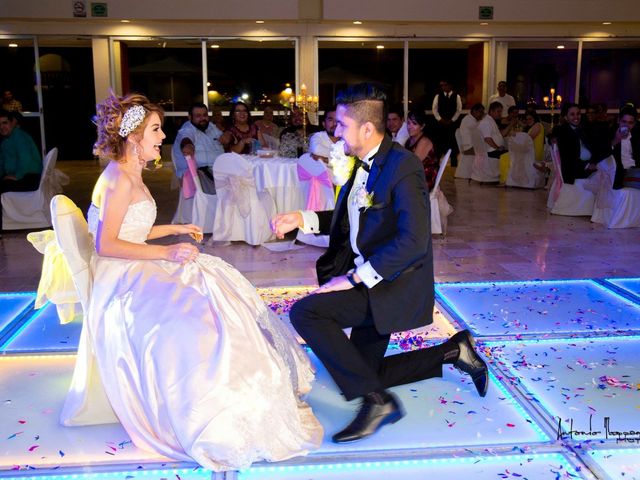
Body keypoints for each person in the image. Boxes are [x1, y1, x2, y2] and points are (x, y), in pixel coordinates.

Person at [61, 93, 322, 470]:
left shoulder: (128, 172)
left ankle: (240, 385)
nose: (161, 137)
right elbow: (107, 243)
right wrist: (167, 252)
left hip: (130, 264)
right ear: (133, 136)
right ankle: (208, 404)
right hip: (119, 278)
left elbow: (131, 230)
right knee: (194, 311)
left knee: (210, 284)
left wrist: (175, 229)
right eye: (154, 129)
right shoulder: (118, 178)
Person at [271, 83, 488, 444]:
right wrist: (301, 217)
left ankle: (377, 402)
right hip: (372, 278)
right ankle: (453, 351)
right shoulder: (361, 165)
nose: (335, 131)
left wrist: (355, 278)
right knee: (363, 370)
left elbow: (414, 242)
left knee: (307, 313)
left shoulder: (403, 167)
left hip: (392, 283)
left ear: (366, 129)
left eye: (341, 124)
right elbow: (346, 219)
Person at [0, 109, 42, 233]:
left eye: (5, 123)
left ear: (13, 122)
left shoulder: (18, 137)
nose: (2, 127)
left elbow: (26, 160)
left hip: (29, 177)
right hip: (23, 176)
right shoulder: (7, 140)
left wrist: (17, 176)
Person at [551, 103, 610, 184]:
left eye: (578, 114)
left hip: (589, 167)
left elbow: (594, 147)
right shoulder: (562, 132)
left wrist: (596, 162)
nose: (576, 117)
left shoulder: (583, 129)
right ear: (566, 117)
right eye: (572, 114)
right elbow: (568, 158)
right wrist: (587, 165)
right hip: (575, 171)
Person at [171, 102, 224, 181]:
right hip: (197, 176)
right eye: (198, 116)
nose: (203, 118)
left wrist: (228, 135)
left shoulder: (210, 127)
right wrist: (188, 146)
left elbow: (223, 138)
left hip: (218, 172)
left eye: (205, 115)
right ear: (190, 117)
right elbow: (186, 139)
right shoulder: (188, 128)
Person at [405, 109, 438, 191]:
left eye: (414, 124)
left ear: (422, 126)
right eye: (408, 123)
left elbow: (412, 165)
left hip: (424, 179)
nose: (410, 127)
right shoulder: (410, 140)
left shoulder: (424, 141)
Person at [432, 79, 462, 164]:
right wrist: (440, 119)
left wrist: (452, 120)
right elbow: (434, 109)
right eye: (442, 85)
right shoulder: (438, 96)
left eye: (445, 85)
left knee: (452, 146)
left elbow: (458, 110)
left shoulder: (457, 96)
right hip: (441, 125)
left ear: (450, 86)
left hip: (452, 125)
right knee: (439, 145)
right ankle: (436, 166)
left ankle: (453, 165)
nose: (443, 87)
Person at [610, 105, 640, 189]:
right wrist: (616, 140)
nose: (626, 125)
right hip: (618, 172)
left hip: (634, 170)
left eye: (630, 123)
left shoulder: (637, 135)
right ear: (618, 121)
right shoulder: (609, 133)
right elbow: (602, 153)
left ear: (634, 124)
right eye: (624, 121)